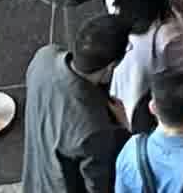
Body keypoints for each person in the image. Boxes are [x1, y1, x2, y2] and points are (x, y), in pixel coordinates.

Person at [24, 14, 132, 193]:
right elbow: (98, 186)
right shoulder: (94, 127)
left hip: (35, 178)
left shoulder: (44, 57)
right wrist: (125, 128)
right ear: (110, 67)